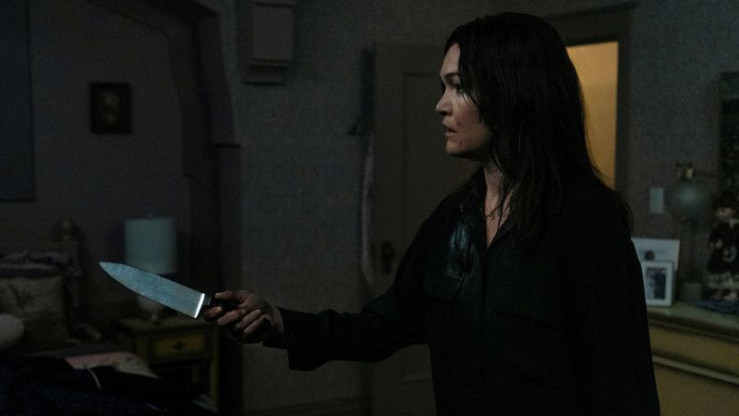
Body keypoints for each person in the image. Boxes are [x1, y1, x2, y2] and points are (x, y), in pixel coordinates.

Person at [204, 12, 660, 415]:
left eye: (458, 86)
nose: (441, 105)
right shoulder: (454, 219)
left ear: (512, 92)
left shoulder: (586, 224)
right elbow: (385, 324)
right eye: (444, 87)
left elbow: (625, 389)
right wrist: (278, 321)